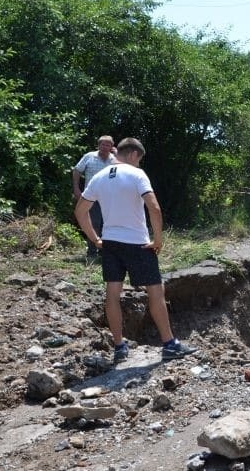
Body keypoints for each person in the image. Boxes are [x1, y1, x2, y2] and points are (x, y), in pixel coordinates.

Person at [74, 137, 196, 363]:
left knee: (112, 293)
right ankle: (169, 344)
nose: (138, 164)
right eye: (139, 159)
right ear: (132, 155)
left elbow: (80, 212)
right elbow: (154, 208)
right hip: (138, 243)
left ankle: (119, 347)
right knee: (155, 292)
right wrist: (157, 239)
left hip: (110, 243)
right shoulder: (136, 174)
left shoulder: (99, 178)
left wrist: (96, 239)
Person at [72, 135, 116, 257]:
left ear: (112, 147)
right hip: (91, 197)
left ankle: (105, 252)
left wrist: (118, 155)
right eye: (103, 144)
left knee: (108, 224)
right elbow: (77, 170)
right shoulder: (89, 156)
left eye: (108, 145)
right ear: (98, 145)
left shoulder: (115, 159)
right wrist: (76, 188)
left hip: (110, 197)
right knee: (93, 223)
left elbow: (128, 169)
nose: (105, 147)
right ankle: (91, 253)